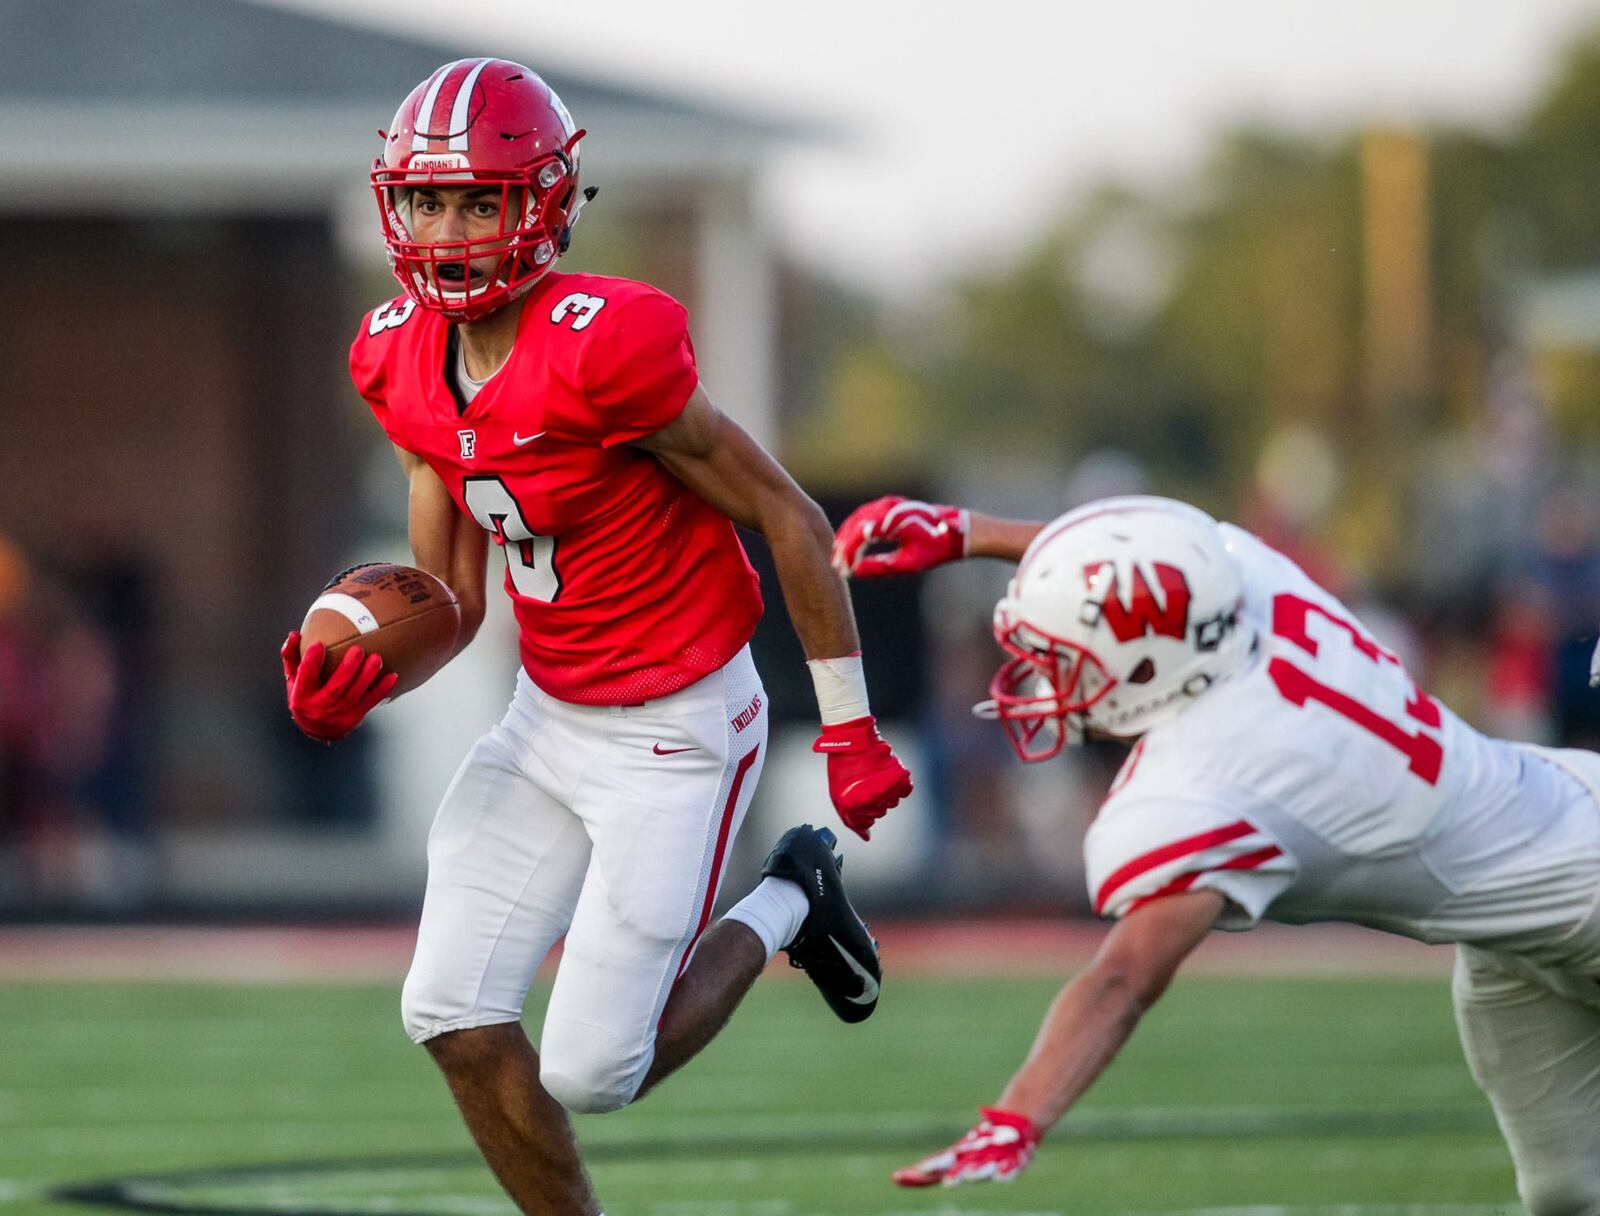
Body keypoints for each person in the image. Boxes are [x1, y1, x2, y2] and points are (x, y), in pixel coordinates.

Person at [278, 59, 911, 1216]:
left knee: (590, 1068)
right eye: (429, 200)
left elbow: (788, 516)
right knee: (451, 1015)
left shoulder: (605, 343)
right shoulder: (396, 355)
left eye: (482, 199)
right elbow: (453, 595)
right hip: (547, 716)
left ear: (547, 205)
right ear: (393, 206)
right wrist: (364, 672)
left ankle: (790, 897)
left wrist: (851, 726)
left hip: (677, 725)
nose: (450, 228)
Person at [833, 493, 1600, 1214]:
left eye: (1065, 656)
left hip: (1581, 892)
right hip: (1521, 908)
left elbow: (1125, 977)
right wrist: (968, 534)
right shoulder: (1243, 584)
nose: (1045, 675)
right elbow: (1133, 571)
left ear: (1144, 669)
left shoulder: (1220, 776)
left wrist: (1018, 1117)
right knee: (1568, 1192)